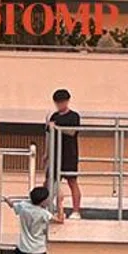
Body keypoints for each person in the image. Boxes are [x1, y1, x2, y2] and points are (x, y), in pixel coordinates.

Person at [45, 89, 82, 220]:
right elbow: (48, 135)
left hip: (69, 154)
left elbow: (72, 132)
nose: (59, 105)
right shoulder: (54, 116)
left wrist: (57, 126)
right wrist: (47, 153)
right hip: (55, 154)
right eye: (57, 103)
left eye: (61, 102)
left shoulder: (74, 116)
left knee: (72, 181)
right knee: (49, 182)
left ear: (67, 101)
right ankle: (48, 207)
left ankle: (76, 211)